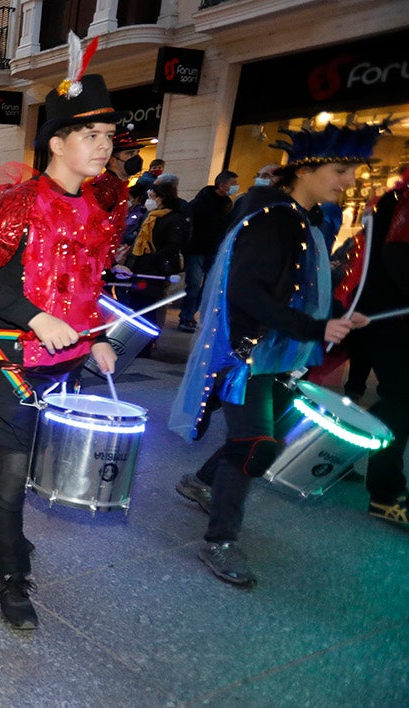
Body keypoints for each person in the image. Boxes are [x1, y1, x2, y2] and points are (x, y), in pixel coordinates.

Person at [0, 59, 126, 629]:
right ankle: (10, 575)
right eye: (91, 135)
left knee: (16, 457)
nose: (105, 146)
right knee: (13, 465)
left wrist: (97, 334)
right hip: (15, 358)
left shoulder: (98, 209)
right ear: (56, 141)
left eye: (108, 135)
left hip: (69, 359)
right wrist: (37, 317)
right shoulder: (21, 201)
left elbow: (87, 285)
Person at [169, 121, 376, 587]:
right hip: (252, 356)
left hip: (280, 354)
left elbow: (298, 289)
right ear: (305, 169)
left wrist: (338, 313)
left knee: (263, 438)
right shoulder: (276, 219)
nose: (347, 181)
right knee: (255, 446)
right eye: (341, 170)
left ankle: (202, 482)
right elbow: (248, 293)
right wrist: (318, 326)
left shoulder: (298, 216)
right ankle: (220, 539)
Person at [358, 165, 409, 524]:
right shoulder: (402, 200)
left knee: (399, 400)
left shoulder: (397, 198)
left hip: (386, 317)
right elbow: (396, 256)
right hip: (392, 321)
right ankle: (384, 493)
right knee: (400, 400)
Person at [121, 173, 190, 355]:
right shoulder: (152, 215)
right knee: (137, 305)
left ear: (162, 198)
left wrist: (154, 257)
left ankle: (144, 345)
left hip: (155, 269)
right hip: (142, 266)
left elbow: (174, 244)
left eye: (153, 197)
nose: (150, 200)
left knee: (147, 307)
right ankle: (136, 343)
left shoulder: (173, 218)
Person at [180, 170, 237, 332]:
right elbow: (188, 226)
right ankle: (186, 317)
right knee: (193, 286)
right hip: (196, 250)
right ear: (222, 185)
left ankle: (191, 316)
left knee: (206, 287)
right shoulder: (200, 203)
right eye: (232, 184)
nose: (235, 187)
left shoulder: (227, 203)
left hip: (215, 250)